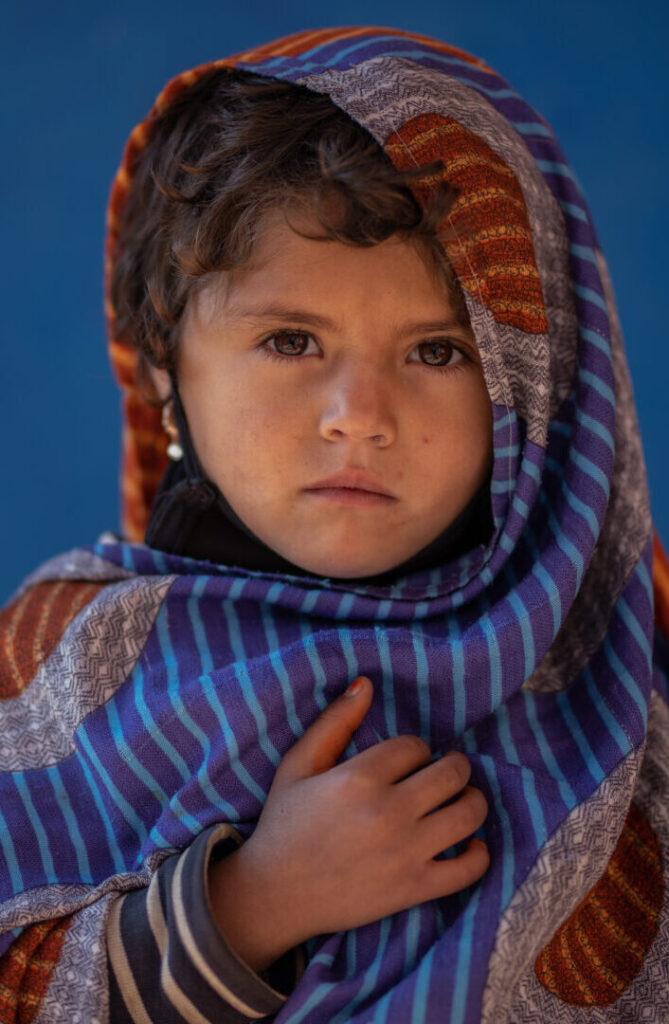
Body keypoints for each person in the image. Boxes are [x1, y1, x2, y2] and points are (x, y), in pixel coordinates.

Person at [0, 24, 668, 1024]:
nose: (359, 415)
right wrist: (253, 905)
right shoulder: (52, 667)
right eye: (291, 339)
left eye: (438, 352)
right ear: (163, 371)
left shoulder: (623, 694)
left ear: (538, 387)